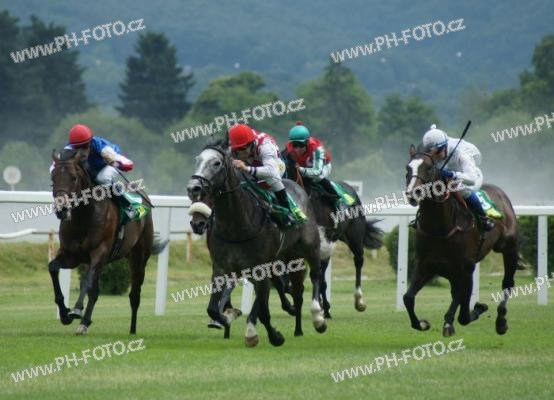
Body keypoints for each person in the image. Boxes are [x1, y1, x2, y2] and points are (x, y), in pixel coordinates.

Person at [51, 124, 142, 220]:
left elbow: (129, 164)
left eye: (85, 147)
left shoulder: (103, 148)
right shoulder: (67, 150)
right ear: (72, 146)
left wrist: (114, 162)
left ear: (90, 143)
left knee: (102, 178)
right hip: (90, 168)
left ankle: (129, 206)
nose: (81, 152)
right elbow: (53, 168)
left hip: (106, 165)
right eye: (77, 148)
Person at [422, 124, 501, 231]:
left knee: (460, 188)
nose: (435, 156)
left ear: (445, 146)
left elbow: (472, 179)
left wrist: (452, 174)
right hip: (450, 177)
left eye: (437, 152)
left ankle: (483, 218)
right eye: (431, 153)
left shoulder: (462, 154)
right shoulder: (436, 152)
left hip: (471, 177)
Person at [228, 123, 301, 227]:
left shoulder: (266, 146)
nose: (240, 153)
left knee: (271, 178)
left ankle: (287, 213)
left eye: (243, 149)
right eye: (237, 150)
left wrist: (246, 168)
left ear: (252, 144)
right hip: (253, 163)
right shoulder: (238, 144)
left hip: (275, 166)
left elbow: (271, 171)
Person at [285, 121, 354, 209]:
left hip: (322, 166)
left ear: (307, 142)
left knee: (317, 178)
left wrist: (301, 169)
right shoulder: (289, 148)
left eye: (301, 145)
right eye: (295, 145)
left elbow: (317, 171)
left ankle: (338, 200)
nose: (297, 149)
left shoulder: (316, 149)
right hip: (304, 166)